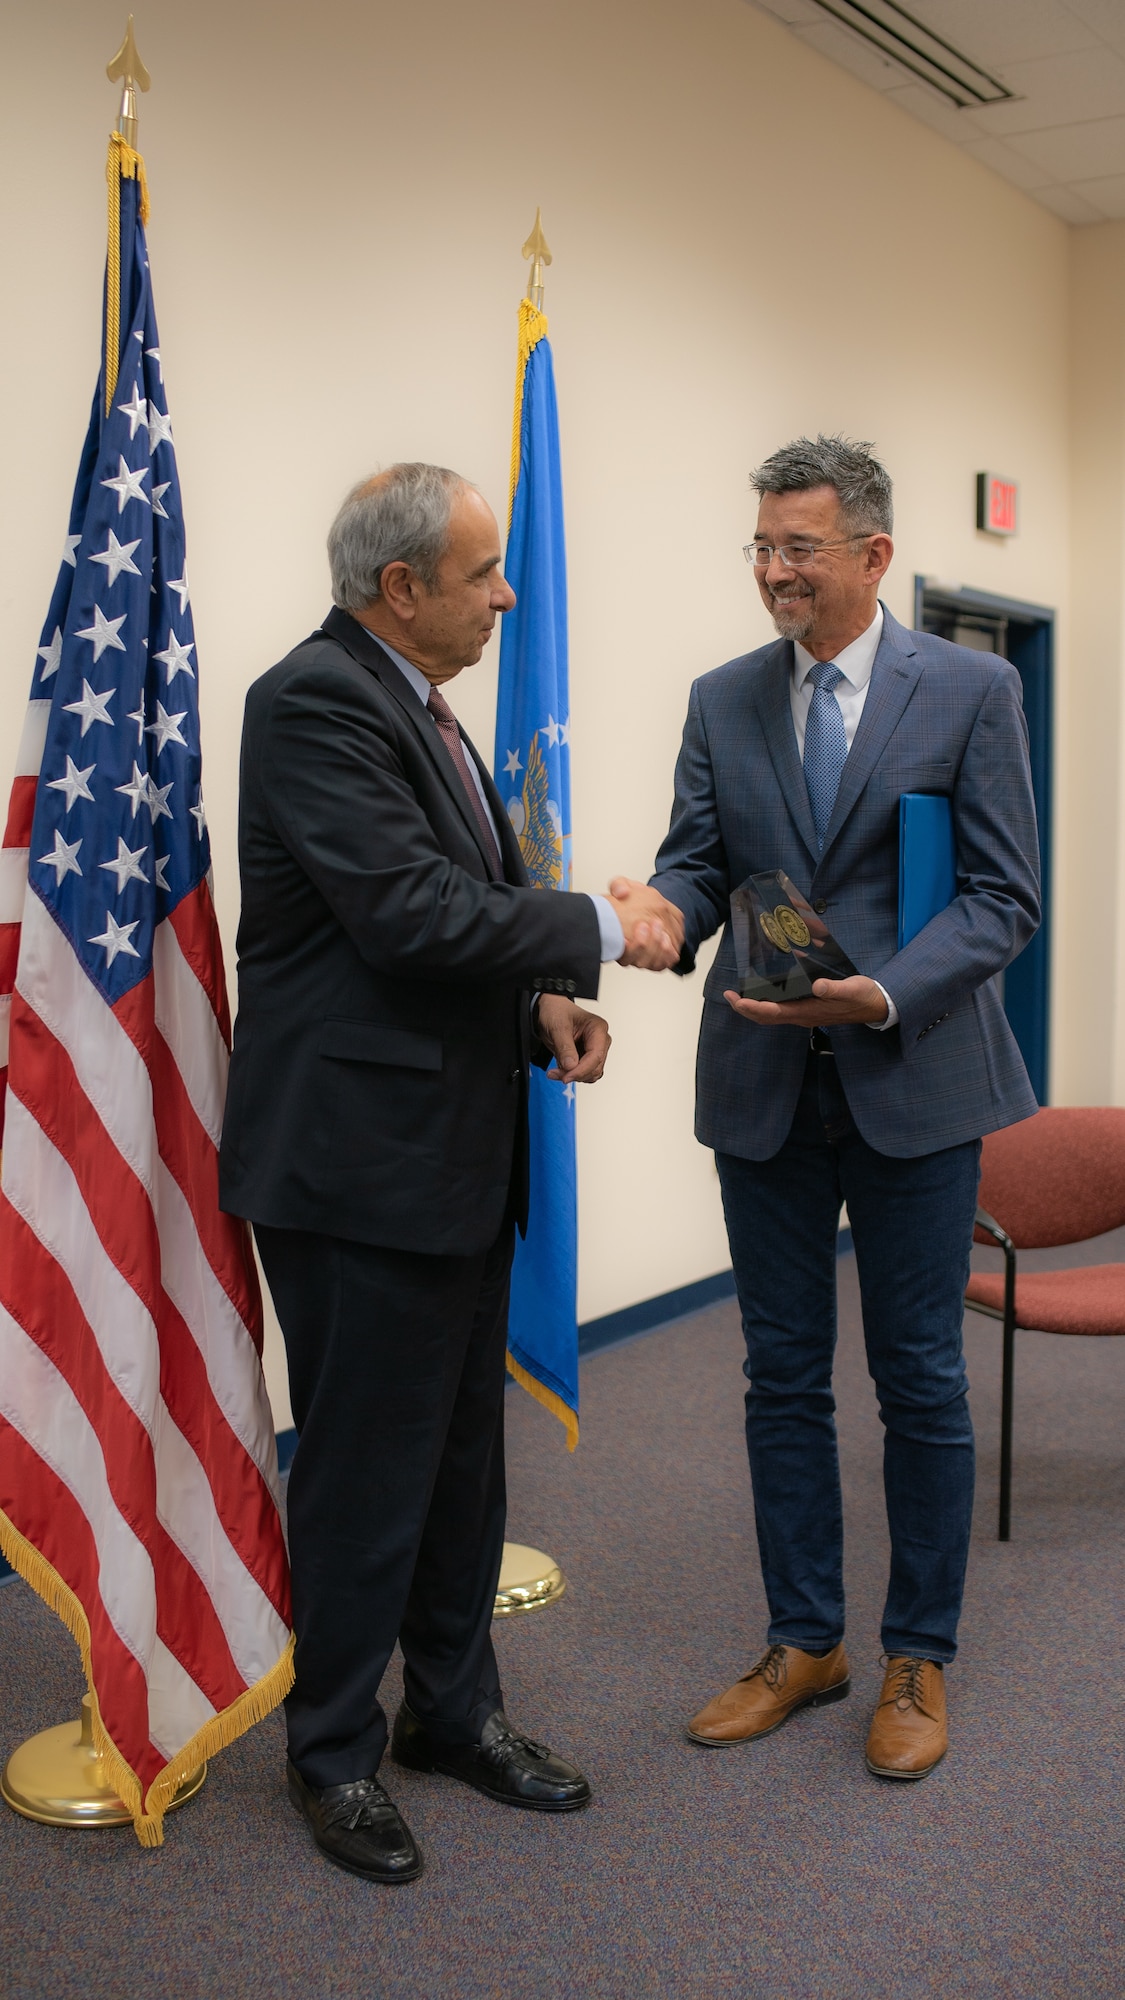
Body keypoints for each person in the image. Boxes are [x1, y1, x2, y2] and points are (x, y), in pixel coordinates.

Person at [219, 462, 683, 1883]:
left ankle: (454, 1717)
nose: (508, 593)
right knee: (365, 1473)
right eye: (484, 572)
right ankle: (335, 1754)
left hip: (449, 1155)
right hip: (358, 1171)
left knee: (458, 1466)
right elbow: (410, 916)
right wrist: (596, 932)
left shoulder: (419, 708)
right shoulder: (310, 700)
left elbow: (443, 924)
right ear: (399, 586)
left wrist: (540, 1000)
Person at [613, 435, 1040, 1780]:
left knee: (916, 1380)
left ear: (871, 555)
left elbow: (1001, 898)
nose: (774, 572)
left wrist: (883, 995)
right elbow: (699, 860)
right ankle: (805, 1640)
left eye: (798, 547)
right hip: (760, 1088)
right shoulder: (720, 698)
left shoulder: (968, 689)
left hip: (914, 1084)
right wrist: (658, 914)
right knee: (779, 1381)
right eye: (759, 546)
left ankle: (916, 1654)